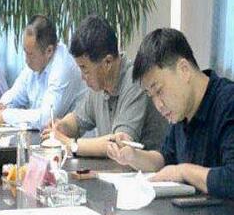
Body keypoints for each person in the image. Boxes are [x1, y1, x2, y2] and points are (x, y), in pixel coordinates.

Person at [107, 28, 234, 198]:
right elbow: (164, 160)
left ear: (184, 70)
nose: (158, 105)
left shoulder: (228, 103)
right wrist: (132, 156)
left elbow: (231, 179)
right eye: (151, 96)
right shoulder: (181, 111)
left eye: (159, 91)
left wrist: (183, 172)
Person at [42, 15, 167, 157]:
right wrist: (61, 127)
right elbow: (77, 120)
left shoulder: (136, 81)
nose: (82, 77)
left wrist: (70, 144)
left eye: (85, 69)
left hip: (148, 169)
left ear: (107, 62)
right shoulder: (99, 87)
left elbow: (120, 144)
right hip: (113, 168)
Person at [0, 15, 85, 129]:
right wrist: (3, 104)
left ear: (49, 51)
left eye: (30, 54)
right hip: (46, 136)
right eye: (25, 52)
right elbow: (16, 93)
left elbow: (46, 119)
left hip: (76, 138)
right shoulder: (35, 63)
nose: (26, 60)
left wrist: (5, 116)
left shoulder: (63, 68)